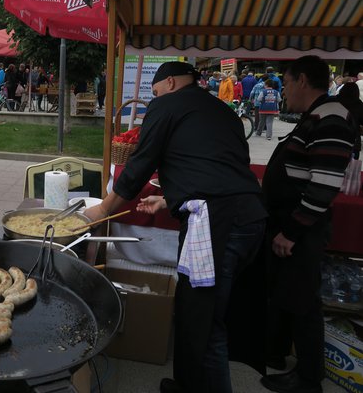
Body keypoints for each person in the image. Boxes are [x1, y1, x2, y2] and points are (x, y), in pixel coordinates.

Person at [84, 61, 267, 393]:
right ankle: (187, 384)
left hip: (220, 224)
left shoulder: (166, 104)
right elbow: (217, 167)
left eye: (154, 92)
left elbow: (141, 162)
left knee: (205, 321)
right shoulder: (221, 110)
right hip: (250, 217)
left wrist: (103, 209)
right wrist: (170, 200)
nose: (153, 98)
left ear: (168, 83)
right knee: (197, 309)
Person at [260, 56, 357, 393]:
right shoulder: (315, 115)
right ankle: (276, 354)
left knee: (304, 303)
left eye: (286, 83)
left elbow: (324, 184)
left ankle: (307, 378)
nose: (283, 91)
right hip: (289, 222)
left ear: (302, 80)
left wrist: (293, 231)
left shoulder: (331, 117)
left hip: (301, 227)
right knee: (287, 294)